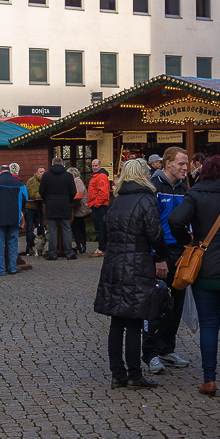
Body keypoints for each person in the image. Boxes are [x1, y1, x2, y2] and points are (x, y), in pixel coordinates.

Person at [169, 155, 220, 397]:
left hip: (206, 270)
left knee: (209, 325)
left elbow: (175, 219)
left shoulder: (195, 195)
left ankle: (210, 380)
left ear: (203, 172)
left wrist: (186, 240)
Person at [94, 159, 171, 389]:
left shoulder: (117, 201)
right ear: (143, 175)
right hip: (137, 263)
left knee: (117, 322)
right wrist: (162, 255)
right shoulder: (147, 199)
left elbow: (107, 233)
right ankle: (135, 375)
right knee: (135, 320)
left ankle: (118, 374)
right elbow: (155, 233)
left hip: (114, 263)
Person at [144, 146, 192, 373]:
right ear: (168, 163)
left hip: (180, 253)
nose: (186, 167)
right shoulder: (154, 186)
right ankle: (150, 353)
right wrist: (157, 257)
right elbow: (150, 226)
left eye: (187, 163)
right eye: (182, 163)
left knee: (177, 305)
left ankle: (167, 348)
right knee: (156, 306)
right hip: (159, 255)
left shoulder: (184, 187)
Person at [0, 164, 28, 276]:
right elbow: (25, 198)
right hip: (14, 217)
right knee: (13, 244)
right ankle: (12, 268)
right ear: (10, 171)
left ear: (0, 171)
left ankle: (0, 270)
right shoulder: (19, 183)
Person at [40, 157, 77, 260]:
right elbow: (73, 191)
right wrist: (68, 200)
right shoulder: (68, 176)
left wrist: (47, 200)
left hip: (51, 204)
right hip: (64, 204)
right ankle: (69, 253)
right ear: (62, 164)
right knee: (66, 229)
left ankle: (52, 253)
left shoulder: (46, 176)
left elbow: (42, 191)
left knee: (52, 230)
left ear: (52, 164)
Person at [88, 159, 111, 257]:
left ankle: (102, 248)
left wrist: (96, 204)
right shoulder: (96, 176)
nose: (94, 167)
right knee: (100, 227)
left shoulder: (101, 176)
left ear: (100, 166)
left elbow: (103, 193)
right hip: (97, 205)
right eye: (93, 166)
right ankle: (102, 247)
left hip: (99, 205)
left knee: (100, 227)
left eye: (96, 165)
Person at [22, 166, 46, 256]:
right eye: (41, 172)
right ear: (36, 173)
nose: (43, 174)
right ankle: (29, 248)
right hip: (30, 209)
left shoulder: (44, 181)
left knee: (40, 228)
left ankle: (40, 248)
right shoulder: (32, 181)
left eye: (44, 172)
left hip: (39, 208)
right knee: (29, 229)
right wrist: (45, 195)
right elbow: (34, 194)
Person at [68, 167, 90, 255]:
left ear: (74, 174)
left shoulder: (78, 181)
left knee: (75, 225)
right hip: (78, 209)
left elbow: (79, 193)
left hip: (82, 208)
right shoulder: (74, 181)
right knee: (81, 226)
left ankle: (80, 244)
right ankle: (81, 245)